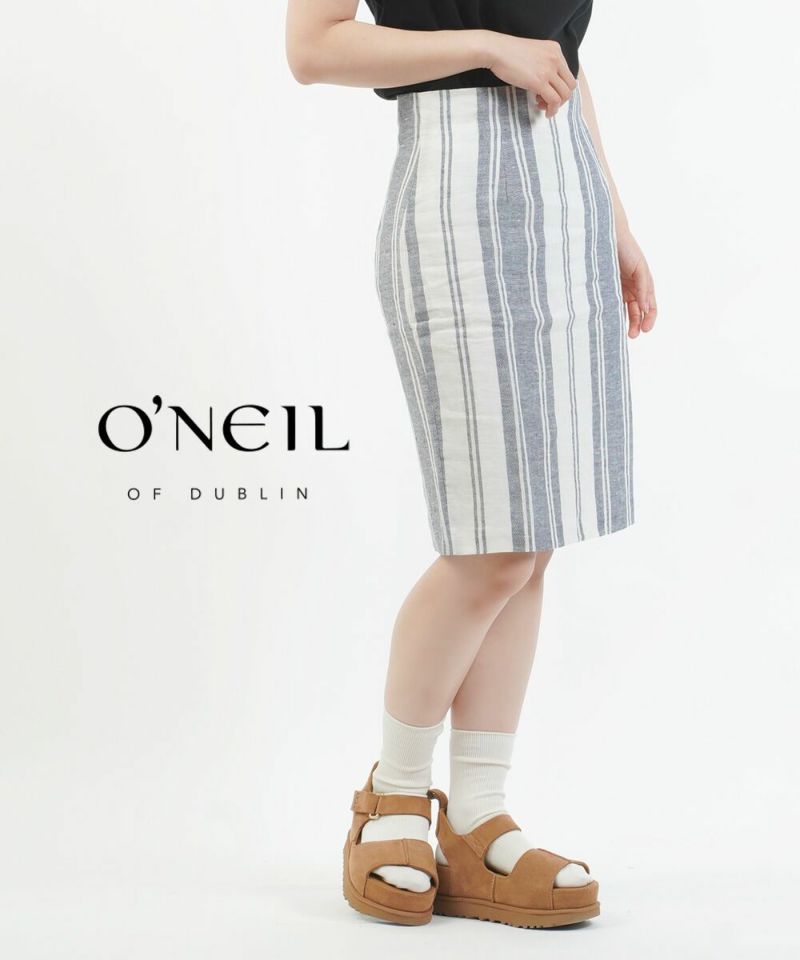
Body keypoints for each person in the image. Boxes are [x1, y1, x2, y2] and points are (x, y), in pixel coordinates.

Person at [285, 0, 657, 929]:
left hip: (566, 208)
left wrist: (615, 222)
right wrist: (488, 47)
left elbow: (561, 62)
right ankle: (395, 795)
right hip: (455, 213)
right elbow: (314, 47)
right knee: (487, 545)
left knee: (533, 540)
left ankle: (479, 817)